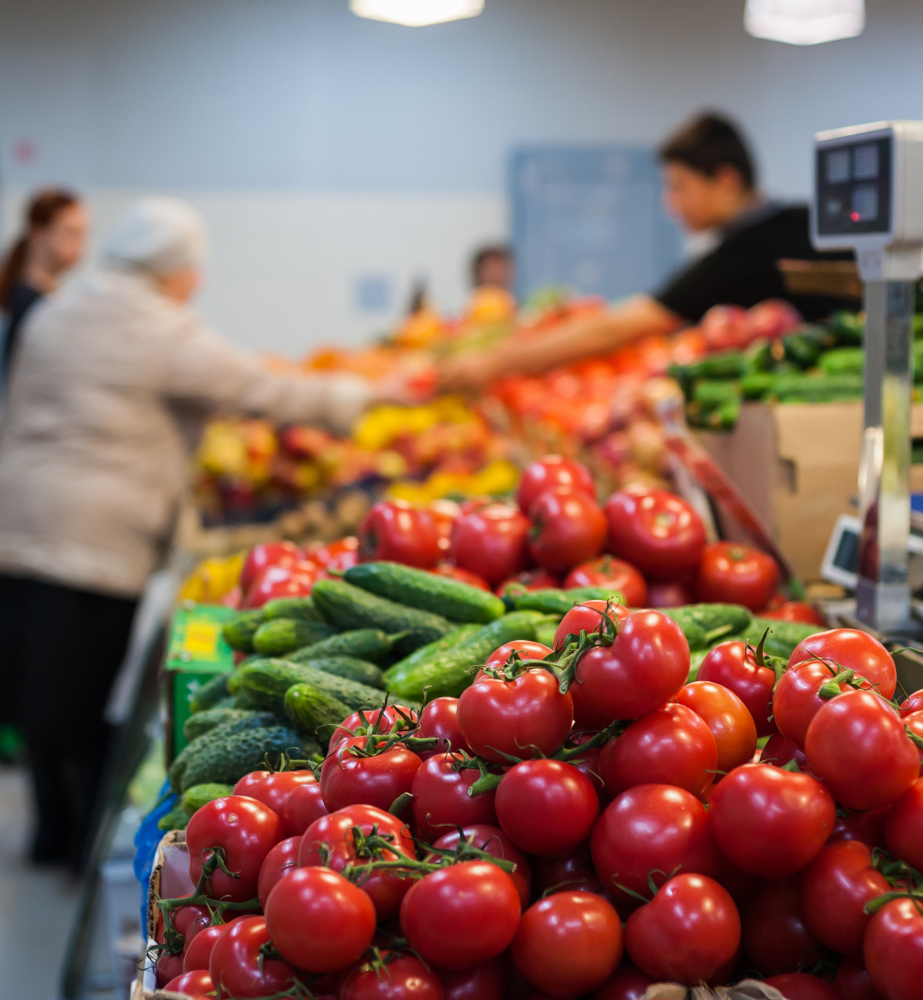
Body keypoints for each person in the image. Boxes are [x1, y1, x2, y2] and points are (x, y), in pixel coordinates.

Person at [0, 197, 402, 868]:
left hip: (19, 519)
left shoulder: (59, 310)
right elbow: (264, 391)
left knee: (37, 686)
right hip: (98, 539)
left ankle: (50, 832)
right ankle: (79, 845)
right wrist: (366, 397)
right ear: (170, 270)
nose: (199, 284)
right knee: (83, 695)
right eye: (194, 270)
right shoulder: (161, 328)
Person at [438, 113, 853, 390]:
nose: (669, 204)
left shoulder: (745, 253)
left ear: (726, 179)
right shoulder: (803, 220)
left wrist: (493, 364)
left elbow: (613, 330)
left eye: (679, 187)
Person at [0, 188, 87, 388]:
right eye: (70, 232)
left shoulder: (48, 298)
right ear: (37, 233)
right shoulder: (26, 303)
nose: (79, 244)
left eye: (82, 234)